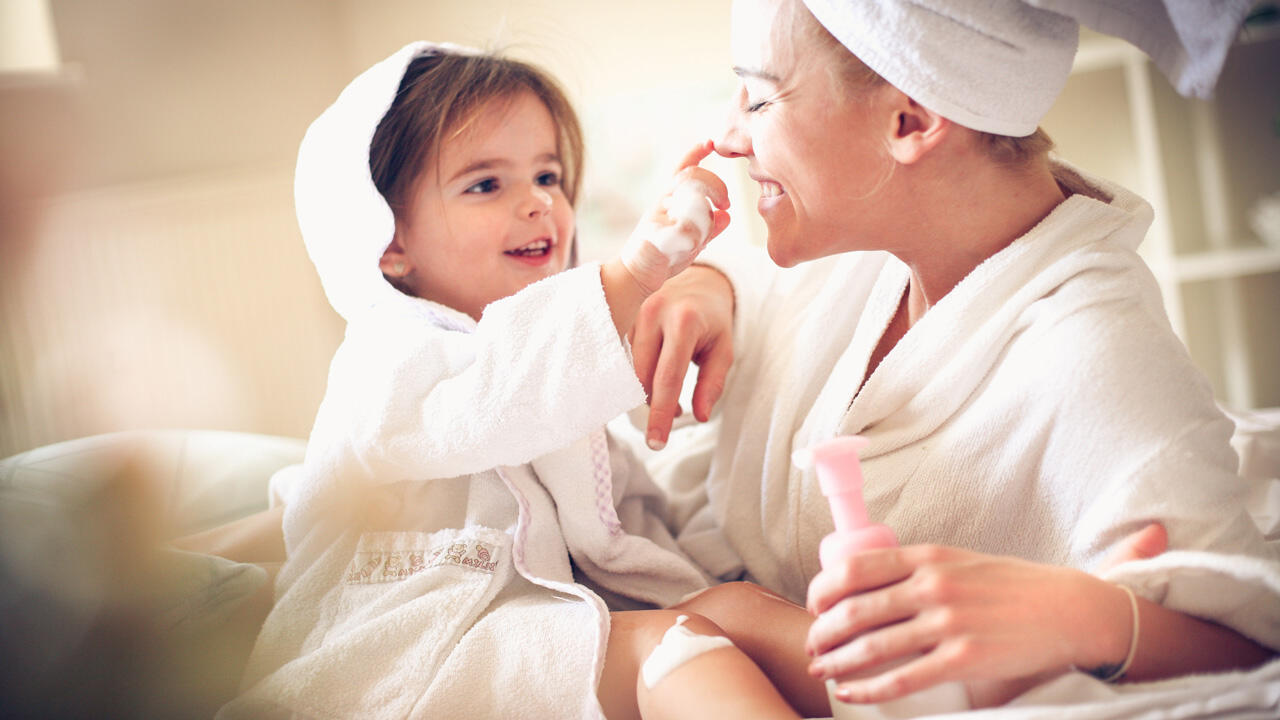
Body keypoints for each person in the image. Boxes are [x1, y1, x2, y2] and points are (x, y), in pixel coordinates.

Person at [626, 0, 1279, 715]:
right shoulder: (874, 246)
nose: (726, 138)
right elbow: (773, 293)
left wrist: (1090, 619)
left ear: (910, 121)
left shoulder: (1093, 359)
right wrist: (710, 284)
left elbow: (1252, 645)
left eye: (757, 97)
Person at [211, 41, 833, 720]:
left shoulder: (553, 363)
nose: (539, 205)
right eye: (486, 184)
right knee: (675, 647)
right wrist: (634, 274)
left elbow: (624, 520)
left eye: (548, 176)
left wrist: (717, 564)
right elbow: (501, 394)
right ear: (387, 243)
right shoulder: (387, 362)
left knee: (734, 610)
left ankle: (918, 687)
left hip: (539, 625)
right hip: (415, 650)